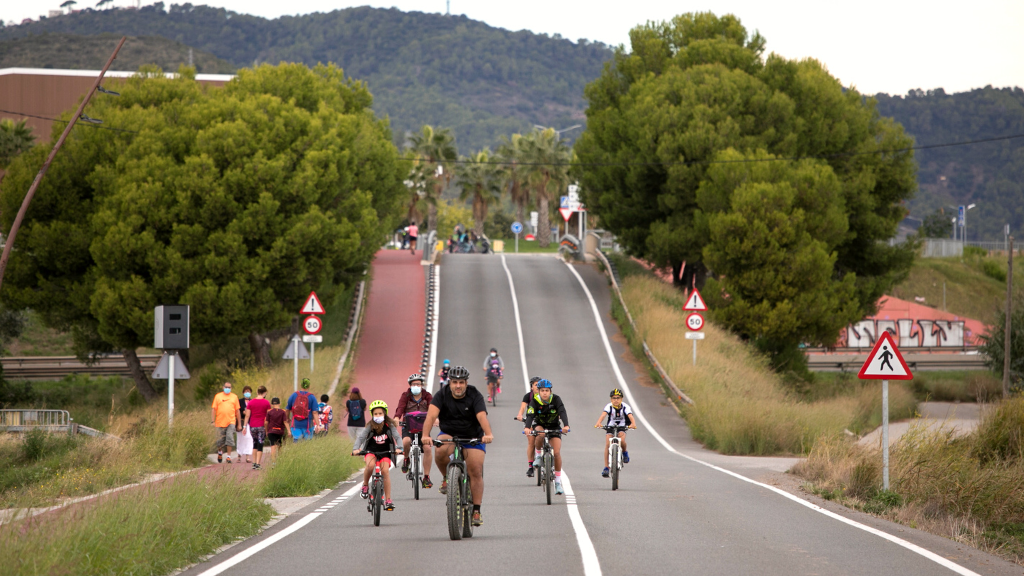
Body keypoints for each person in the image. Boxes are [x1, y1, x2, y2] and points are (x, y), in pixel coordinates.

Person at [421, 366, 493, 527]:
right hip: (449, 434)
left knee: (475, 469)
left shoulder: (475, 395)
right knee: (439, 451)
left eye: (461, 382)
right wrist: (425, 436)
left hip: (473, 435)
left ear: (466, 383)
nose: (458, 386)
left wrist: (488, 434)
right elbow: (431, 416)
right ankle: (447, 478)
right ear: (450, 383)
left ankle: (476, 510)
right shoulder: (442, 395)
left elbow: (481, 416)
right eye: (454, 382)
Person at [352, 400, 402, 511]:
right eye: (375, 414)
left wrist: (400, 448)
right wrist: (356, 449)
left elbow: (397, 437)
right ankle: (365, 485)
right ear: (372, 415)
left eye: (380, 413)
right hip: (371, 451)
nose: (378, 416)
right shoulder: (370, 426)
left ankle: (388, 500)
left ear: (385, 413)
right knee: (370, 466)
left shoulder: (390, 425)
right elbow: (361, 437)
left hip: (386, 452)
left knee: (385, 471)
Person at [524, 379, 570, 495]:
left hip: (554, 426)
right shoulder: (534, 401)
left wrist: (566, 425)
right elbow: (530, 415)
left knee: (557, 452)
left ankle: (558, 483)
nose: (545, 393)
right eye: (542, 390)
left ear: (550, 391)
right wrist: (527, 427)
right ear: (538, 391)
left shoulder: (556, 399)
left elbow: (562, 411)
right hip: (540, 425)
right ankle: (538, 456)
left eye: (547, 390)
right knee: (540, 433)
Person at [394, 373, 434, 488]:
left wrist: (435, 418)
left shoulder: (427, 396)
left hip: (423, 427)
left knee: (427, 448)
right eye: (414, 384)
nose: (416, 386)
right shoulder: (405, 396)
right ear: (410, 385)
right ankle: (406, 459)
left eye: (418, 384)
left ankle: (426, 477)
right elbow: (400, 408)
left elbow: (432, 408)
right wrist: (397, 417)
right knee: (406, 442)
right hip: (408, 425)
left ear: (422, 385)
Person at [594, 388, 637, 478]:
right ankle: (606, 467)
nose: (616, 400)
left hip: (622, 425)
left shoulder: (625, 407)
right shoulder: (609, 406)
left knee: (622, 440)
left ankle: (624, 452)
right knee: (607, 444)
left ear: (621, 399)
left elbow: (630, 416)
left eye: (618, 398)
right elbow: (603, 415)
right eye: (614, 398)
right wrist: (598, 423)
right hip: (611, 426)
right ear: (611, 399)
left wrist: (633, 424)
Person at [515, 377, 542, 477]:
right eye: (536, 385)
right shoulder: (528, 396)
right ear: (531, 387)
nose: (538, 387)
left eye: (540, 384)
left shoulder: (545, 395)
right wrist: (520, 415)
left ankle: (547, 458)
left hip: (543, 421)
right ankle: (530, 466)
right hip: (531, 420)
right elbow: (523, 407)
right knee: (531, 442)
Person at [211, 381, 242, 464]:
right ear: (223, 387)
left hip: (231, 421)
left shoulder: (234, 397)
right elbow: (213, 409)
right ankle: (220, 452)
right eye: (226, 387)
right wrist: (212, 421)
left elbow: (237, 411)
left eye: (229, 387)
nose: (227, 389)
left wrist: (239, 424)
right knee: (219, 441)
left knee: (230, 438)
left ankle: (228, 456)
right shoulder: (218, 396)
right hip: (219, 422)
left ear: (231, 388)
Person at [244, 386, 272, 470]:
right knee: (260, 443)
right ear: (265, 393)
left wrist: (244, 426)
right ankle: (258, 464)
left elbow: (247, 415)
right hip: (262, 426)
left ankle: (254, 463)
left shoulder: (251, 402)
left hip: (252, 425)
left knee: (254, 443)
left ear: (257, 392)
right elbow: (268, 416)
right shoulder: (266, 403)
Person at [287, 378, 320, 442]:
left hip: (295, 424)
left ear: (300, 385)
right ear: (309, 386)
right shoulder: (312, 397)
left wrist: (287, 418)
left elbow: (288, 409)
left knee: (296, 441)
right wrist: (318, 425)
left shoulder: (294, 395)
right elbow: (315, 412)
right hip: (308, 425)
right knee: (307, 443)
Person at [265, 398, 290, 464]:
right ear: (279, 403)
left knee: (273, 446)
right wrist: (289, 431)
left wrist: (266, 431)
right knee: (279, 446)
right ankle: (280, 460)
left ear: (272, 404)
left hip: (271, 431)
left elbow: (266, 422)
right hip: (279, 431)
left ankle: (273, 462)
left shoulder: (269, 412)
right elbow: (285, 422)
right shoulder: (282, 412)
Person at [237, 385, 254, 463]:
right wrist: (243, 412)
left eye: (249, 391)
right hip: (241, 421)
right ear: (243, 392)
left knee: (249, 437)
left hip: (250, 422)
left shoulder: (252, 401)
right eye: (246, 391)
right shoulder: (239, 401)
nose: (247, 393)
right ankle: (239, 455)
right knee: (240, 438)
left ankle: (247, 456)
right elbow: (237, 410)